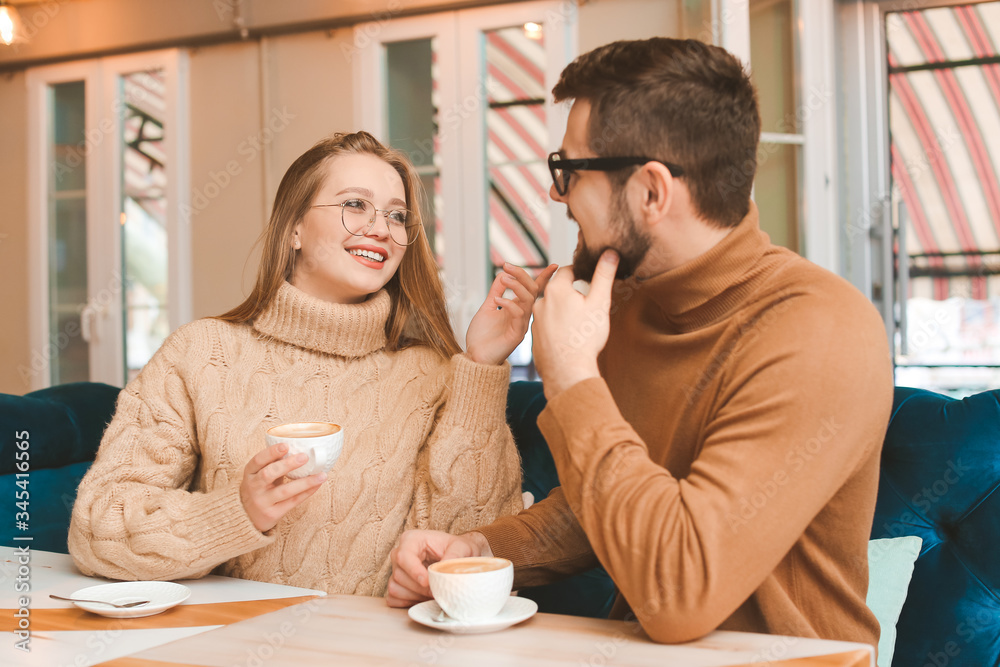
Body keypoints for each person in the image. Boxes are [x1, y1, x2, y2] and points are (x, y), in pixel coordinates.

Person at [387, 38, 894, 649]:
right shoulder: (625, 299)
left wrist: (572, 376)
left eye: (569, 170)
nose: (556, 193)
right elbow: (603, 509)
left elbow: (679, 594)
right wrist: (481, 550)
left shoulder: (819, 330)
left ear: (652, 192)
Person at [69, 131, 555, 596]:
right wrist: (237, 512)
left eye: (397, 215)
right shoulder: (199, 353)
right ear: (295, 228)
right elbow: (97, 527)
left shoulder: (434, 374)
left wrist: (481, 366)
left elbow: (470, 558)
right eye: (354, 204)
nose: (381, 228)